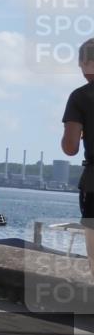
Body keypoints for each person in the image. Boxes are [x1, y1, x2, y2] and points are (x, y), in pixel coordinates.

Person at [61, 37, 94, 273]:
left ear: (88, 61)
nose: (81, 70)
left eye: (81, 64)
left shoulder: (81, 96)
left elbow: (70, 147)